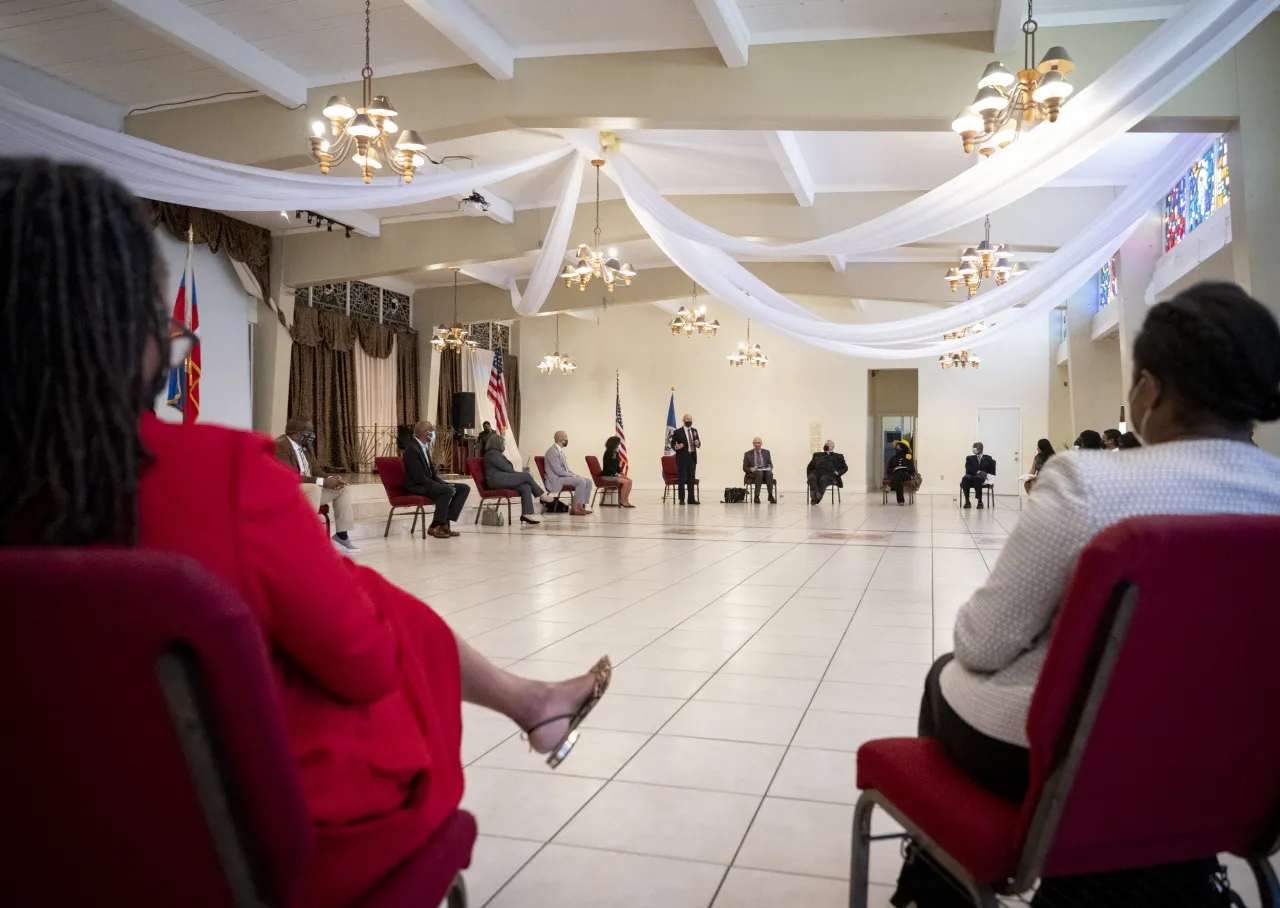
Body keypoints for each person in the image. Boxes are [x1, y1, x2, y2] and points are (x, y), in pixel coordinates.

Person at [0, 159, 613, 908]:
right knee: (370, 609)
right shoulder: (222, 477)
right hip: (243, 851)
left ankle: (532, 701)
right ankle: (531, 703)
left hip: (38, 845)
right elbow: (362, 667)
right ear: (128, 337)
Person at [894, 281, 1280, 908]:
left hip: (1077, 764)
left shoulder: (1088, 484)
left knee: (945, 676)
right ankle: (1167, 875)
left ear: (1148, 390)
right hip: (1243, 765)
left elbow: (982, 643)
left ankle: (941, 882)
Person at [275, 416, 359, 553]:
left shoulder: (306, 446)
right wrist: (323, 482)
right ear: (297, 433)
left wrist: (332, 478)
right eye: (310, 431)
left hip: (309, 491)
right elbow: (289, 476)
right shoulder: (280, 445)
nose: (313, 434)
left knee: (343, 488)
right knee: (314, 488)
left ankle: (341, 537)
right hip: (288, 492)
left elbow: (317, 471)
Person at [402, 420, 470, 538]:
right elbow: (419, 477)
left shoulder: (424, 447)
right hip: (417, 485)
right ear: (425, 432)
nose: (434, 434)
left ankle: (442, 524)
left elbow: (432, 473)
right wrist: (440, 486)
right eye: (432, 431)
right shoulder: (412, 449)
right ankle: (436, 526)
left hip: (427, 483)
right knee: (446, 491)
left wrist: (442, 483)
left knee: (463, 488)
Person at [484, 433, 554, 525]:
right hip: (497, 481)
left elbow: (508, 469)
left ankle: (526, 514)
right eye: (503, 443)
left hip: (502, 479)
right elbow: (508, 468)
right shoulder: (493, 453)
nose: (504, 445)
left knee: (526, 487)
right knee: (526, 475)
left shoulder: (494, 454)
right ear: (498, 443)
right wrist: (519, 474)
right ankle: (542, 495)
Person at [543, 431, 593, 516]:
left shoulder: (560, 451)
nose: (567, 439)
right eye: (566, 437)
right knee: (580, 481)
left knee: (588, 481)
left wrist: (574, 474)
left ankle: (580, 506)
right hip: (556, 479)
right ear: (561, 438)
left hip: (561, 477)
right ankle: (575, 508)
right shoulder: (552, 451)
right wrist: (572, 476)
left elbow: (566, 469)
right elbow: (557, 471)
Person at [670, 413, 701, 505]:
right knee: (682, 479)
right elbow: (673, 444)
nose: (689, 421)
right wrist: (677, 446)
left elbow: (699, 443)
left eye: (690, 419)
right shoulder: (678, 432)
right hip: (682, 458)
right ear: (683, 420)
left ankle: (691, 499)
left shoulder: (694, 431)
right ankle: (682, 499)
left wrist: (697, 443)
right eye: (687, 419)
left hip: (692, 457)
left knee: (691, 478)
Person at [806, 440, 848, 504]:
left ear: (833, 446)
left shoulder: (838, 456)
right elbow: (810, 467)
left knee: (823, 479)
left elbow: (845, 468)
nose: (830, 446)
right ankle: (815, 497)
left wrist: (838, 472)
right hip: (817, 472)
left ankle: (816, 499)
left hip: (829, 473)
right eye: (828, 445)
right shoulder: (817, 455)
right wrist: (809, 475)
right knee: (812, 477)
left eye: (831, 445)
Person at [600, 436, 635, 508]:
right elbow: (607, 468)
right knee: (625, 482)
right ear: (614, 444)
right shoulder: (607, 453)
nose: (620, 445)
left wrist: (621, 472)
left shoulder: (616, 453)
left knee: (630, 481)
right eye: (619, 443)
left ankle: (626, 500)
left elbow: (617, 466)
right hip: (607, 476)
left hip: (614, 475)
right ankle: (622, 500)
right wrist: (618, 475)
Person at [960, 442, 996, 509]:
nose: (973, 450)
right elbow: (968, 468)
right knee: (965, 478)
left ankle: (980, 501)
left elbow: (992, 470)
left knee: (977, 478)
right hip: (971, 475)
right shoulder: (969, 458)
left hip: (982, 477)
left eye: (975, 448)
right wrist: (978, 472)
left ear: (980, 449)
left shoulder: (988, 458)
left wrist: (989, 477)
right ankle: (967, 501)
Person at [742, 437, 777, 503]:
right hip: (754, 473)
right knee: (759, 473)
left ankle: (770, 495)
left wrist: (769, 467)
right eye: (755, 443)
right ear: (753, 444)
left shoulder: (766, 452)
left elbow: (770, 463)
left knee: (769, 473)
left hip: (765, 471)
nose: (756, 444)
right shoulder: (747, 454)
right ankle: (756, 496)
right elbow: (744, 468)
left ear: (761, 444)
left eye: (758, 443)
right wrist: (751, 469)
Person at [886, 440, 915, 506]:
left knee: (900, 472)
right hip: (897, 476)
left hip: (907, 476)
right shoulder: (892, 458)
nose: (898, 449)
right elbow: (888, 470)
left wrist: (905, 468)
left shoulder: (909, 458)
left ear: (904, 448)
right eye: (897, 448)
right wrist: (894, 469)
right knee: (899, 478)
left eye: (900, 448)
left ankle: (890, 486)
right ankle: (900, 502)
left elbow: (912, 470)